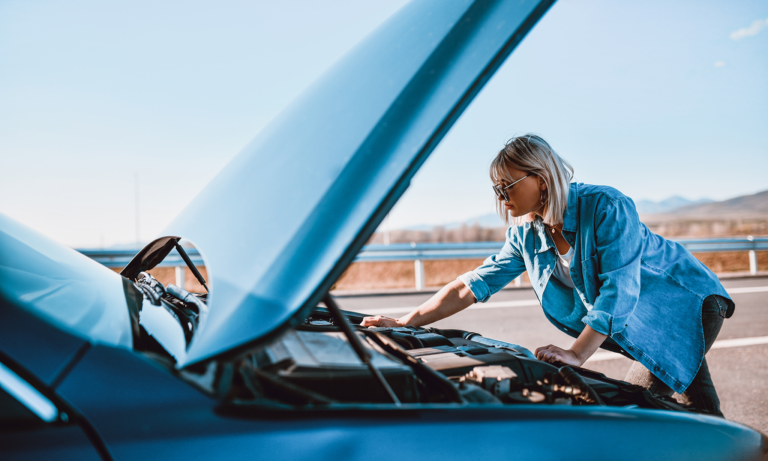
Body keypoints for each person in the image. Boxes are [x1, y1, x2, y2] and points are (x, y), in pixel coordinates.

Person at [361, 134, 734, 416]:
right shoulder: (525, 232)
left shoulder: (606, 206)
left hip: (684, 303)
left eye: (506, 185)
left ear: (540, 179)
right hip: (633, 319)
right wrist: (405, 322)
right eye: (495, 188)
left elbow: (619, 289)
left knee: (637, 409)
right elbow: (471, 285)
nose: (500, 195)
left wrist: (576, 354)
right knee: (703, 413)